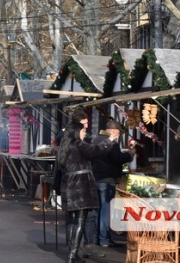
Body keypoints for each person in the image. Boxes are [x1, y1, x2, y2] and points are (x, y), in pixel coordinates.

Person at [56, 110, 117, 263]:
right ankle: (72, 255)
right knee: (80, 221)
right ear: (77, 131)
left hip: (69, 184)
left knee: (72, 220)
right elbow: (95, 151)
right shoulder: (78, 145)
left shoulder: (65, 146)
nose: (85, 132)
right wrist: (109, 141)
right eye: (83, 130)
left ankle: (73, 252)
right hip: (81, 185)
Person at [92, 119, 133, 249]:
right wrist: (130, 155)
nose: (119, 135)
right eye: (118, 132)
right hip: (107, 179)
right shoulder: (112, 144)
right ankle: (104, 239)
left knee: (98, 209)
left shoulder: (96, 140)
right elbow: (118, 159)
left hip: (97, 178)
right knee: (106, 209)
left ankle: (97, 238)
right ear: (113, 132)